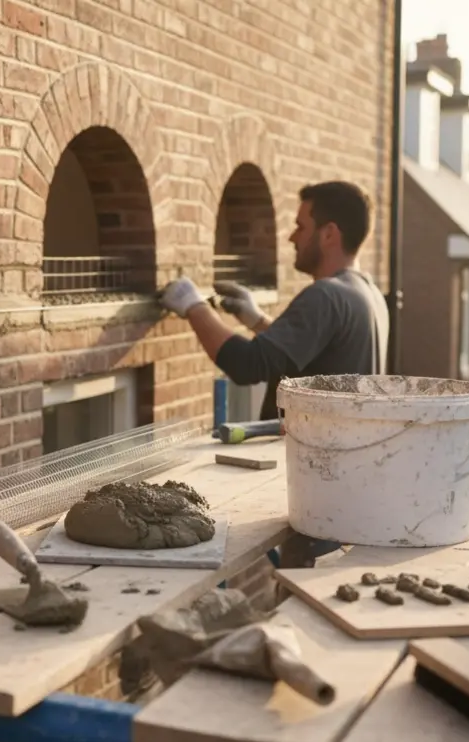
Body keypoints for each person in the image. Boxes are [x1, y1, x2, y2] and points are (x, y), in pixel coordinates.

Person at [158, 180, 391, 565]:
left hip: (316, 494)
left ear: (329, 233)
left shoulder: (325, 295)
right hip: (345, 486)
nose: (291, 237)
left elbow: (248, 365)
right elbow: (313, 360)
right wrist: (257, 320)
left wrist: (194, 306)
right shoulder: (366, 294)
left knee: (301, 606)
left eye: (301, 225)